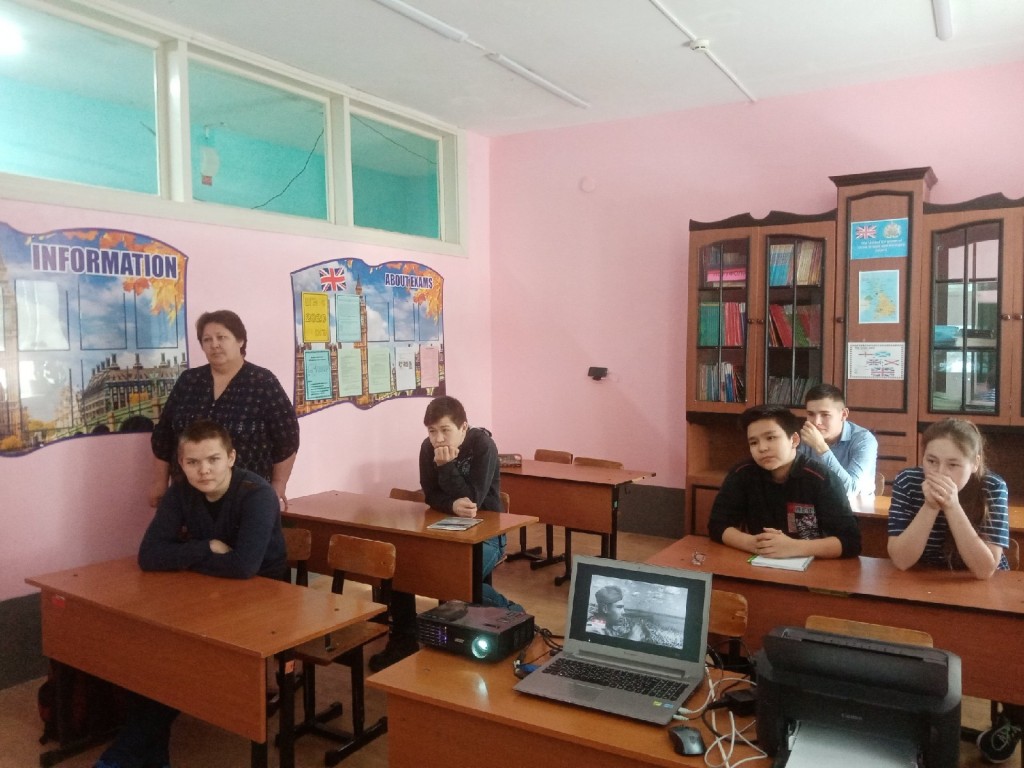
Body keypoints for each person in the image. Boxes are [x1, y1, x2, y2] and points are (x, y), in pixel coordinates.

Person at [94, 419, 287, 768]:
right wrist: (206, 547)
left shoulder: (256, 494)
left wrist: (185, 556)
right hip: (209, 592)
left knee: (176, 661)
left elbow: (244, 567)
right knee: (152, 651)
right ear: (181, 464)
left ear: (231, 457)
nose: (204, 470)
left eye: (213, 459)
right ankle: (144, 754)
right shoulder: (181, 492)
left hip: (264, 598)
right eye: (193, 462)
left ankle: (128, 755)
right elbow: (149, 556)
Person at [886, 418, 1020, 763]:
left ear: (975, 463)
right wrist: (930, 507)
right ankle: (911, 717)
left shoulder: (992, 487)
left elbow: (984, 569)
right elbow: (901, 559)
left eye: (953, 465)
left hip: (981, 589)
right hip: (928, 585)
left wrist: (953, 505)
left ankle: (1013, 717)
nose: (939, 473)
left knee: (1007, 653)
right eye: (931, 461)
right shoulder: (908, 482)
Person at [369, 395, 523, 671]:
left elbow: (473, 500)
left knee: (452, 579)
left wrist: (447, 467)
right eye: (432, 431)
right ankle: (404, 639)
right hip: (443, 530)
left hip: (489, 534)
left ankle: (514, 615)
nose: (438, 439)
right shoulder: (426, 447)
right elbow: (430, 494)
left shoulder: (483, 446)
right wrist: (451, 504)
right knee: (403, 567)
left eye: (445, 430)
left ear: (463, 427)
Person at [149, 309, 300, 512]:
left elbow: (287, 439)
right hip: (189, 494)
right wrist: (159, 483)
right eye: (207, 339)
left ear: (240, 341)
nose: (214, 345)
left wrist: (278, 485)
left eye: (221, 337)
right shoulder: (189, 381)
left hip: (246, 496)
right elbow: (163, 437)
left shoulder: (262, 382)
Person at [708, 404, 861, 559]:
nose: (762, 448)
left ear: (794, 440)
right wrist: (752, 543)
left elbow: (851, 542)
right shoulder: (742, 473)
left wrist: (794, 547)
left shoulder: (822, 478)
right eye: (753, 442)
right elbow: (717, 525)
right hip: (761, 561)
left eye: (770, 438)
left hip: (812, 564)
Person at [798, 383, 878, 496]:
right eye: (811, 414)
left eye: (825, 415)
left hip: (855, 506)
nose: (816, 422)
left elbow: (850, 491)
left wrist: (821, 448)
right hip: (814, 502)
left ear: (843, 414)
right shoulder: (804, 435)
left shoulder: (864, 440)